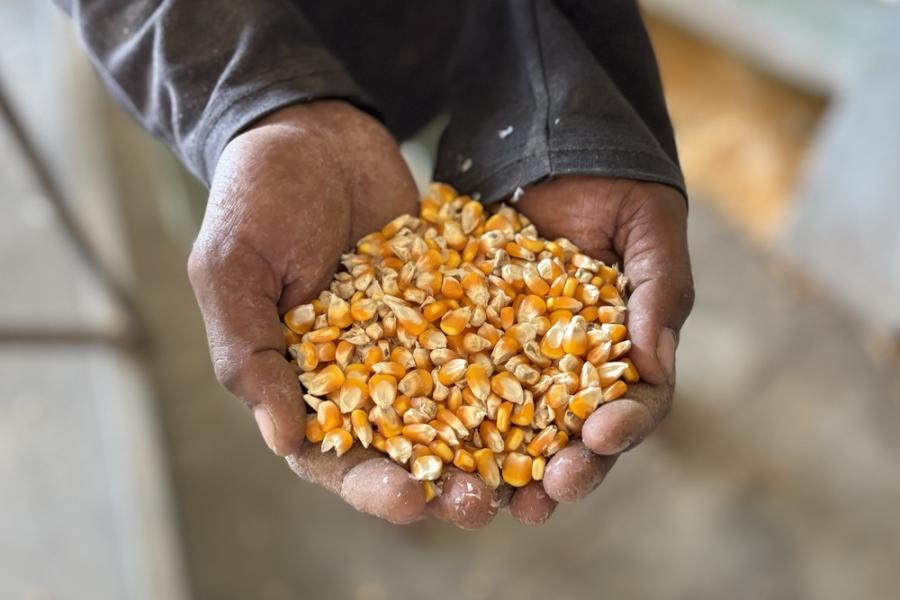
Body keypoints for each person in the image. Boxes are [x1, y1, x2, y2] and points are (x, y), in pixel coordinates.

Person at [55, 0, 694, 528]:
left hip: (476, 39)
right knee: (261, 262)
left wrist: (574, 106)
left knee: (512, 180)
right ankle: (410, 477)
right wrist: (243, 96)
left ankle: (581, 393)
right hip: (214, 78)